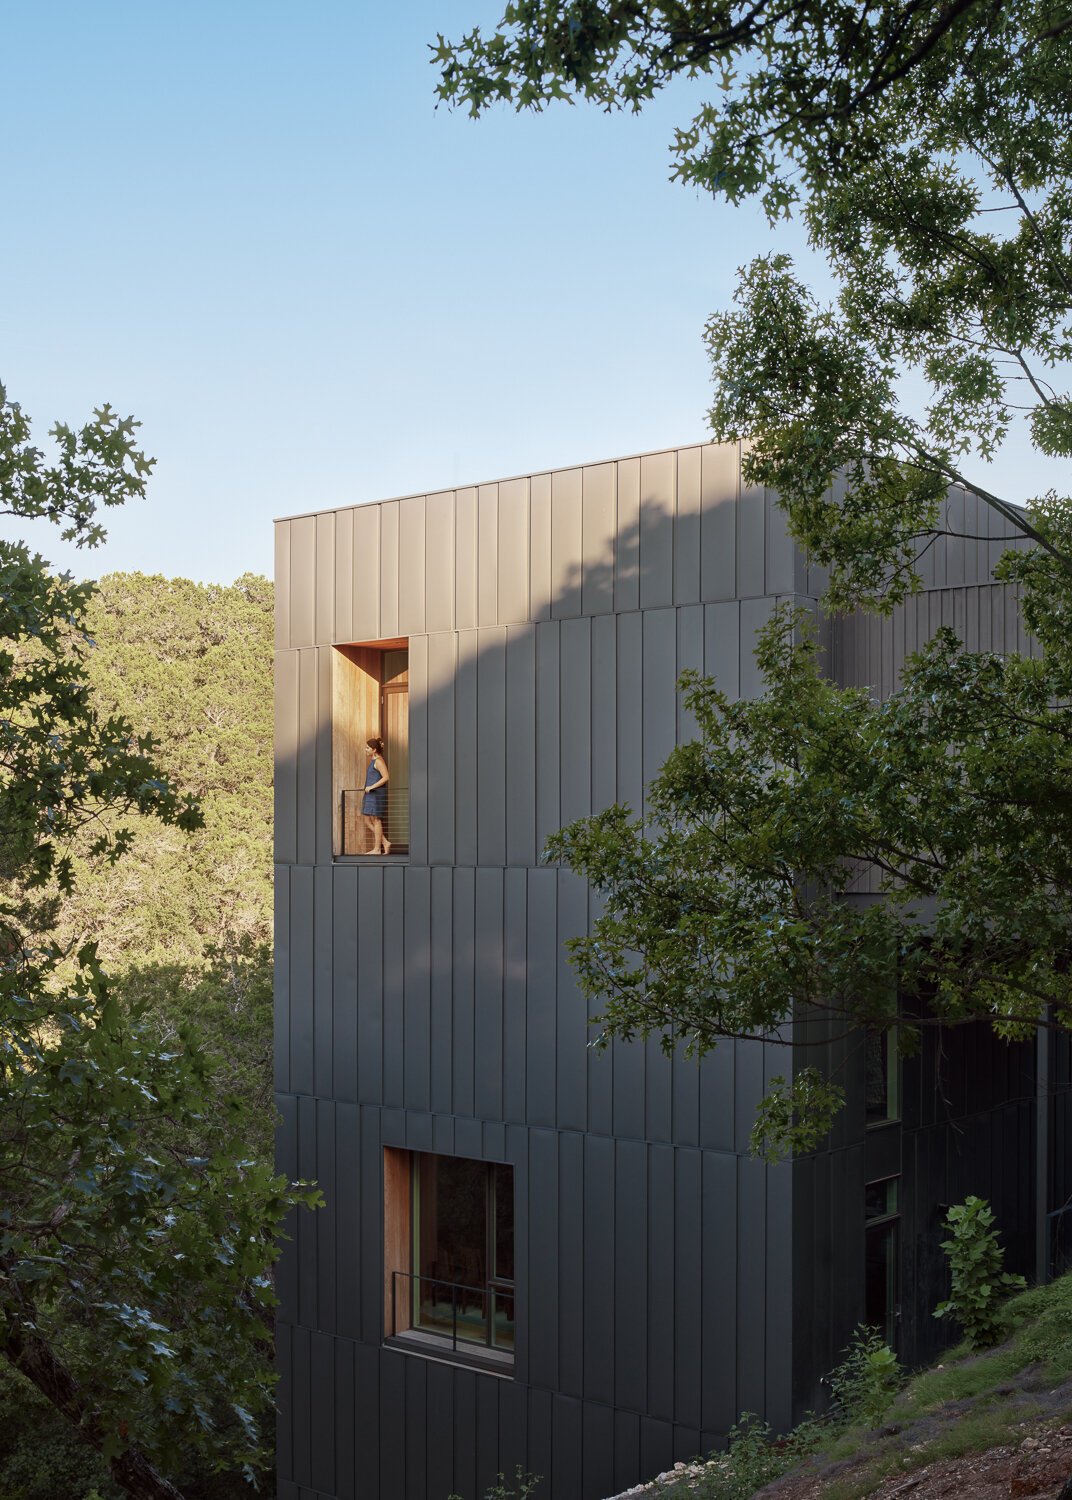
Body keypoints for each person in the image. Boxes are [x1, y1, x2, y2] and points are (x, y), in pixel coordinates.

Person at [362, 737, 391, 854]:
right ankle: (385, 842)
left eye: (368, 748)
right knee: (367, 820)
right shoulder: (373, 761)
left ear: (374, 750)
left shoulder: (379, 761)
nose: (366, 749)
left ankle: (377, 849)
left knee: (376, 820)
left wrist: (372, 787)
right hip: (370, 794)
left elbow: (386, 777)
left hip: (376, 794)